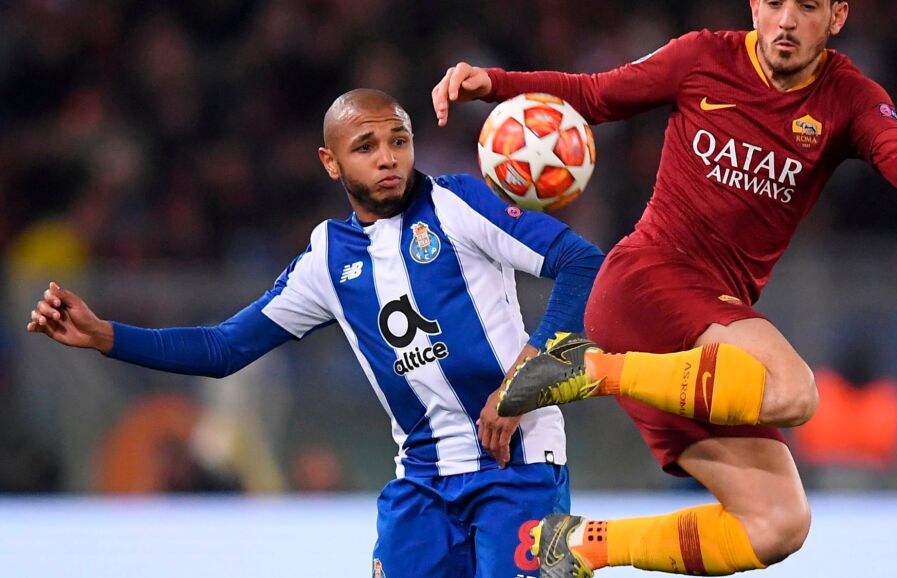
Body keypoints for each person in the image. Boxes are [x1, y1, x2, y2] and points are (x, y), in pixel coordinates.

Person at [433, 1, 897, 576]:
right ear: (755, 6)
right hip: (645, 284)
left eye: (807, 6)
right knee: (795, 391)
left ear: (837, 16)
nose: (787, 20)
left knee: (778, 522)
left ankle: (574, 545)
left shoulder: (847, 96)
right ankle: (591, 371)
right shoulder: (703, 57)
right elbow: (594, 94)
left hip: (693, 357)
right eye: (774, 3)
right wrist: (494, 83)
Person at [27, 89, 604, 577]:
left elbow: (582, 262)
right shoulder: (329, 257)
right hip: (424, 483)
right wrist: (106, 336)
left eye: (399, 141)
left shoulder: (458, 202)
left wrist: (523, 383)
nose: (388, 159)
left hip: (518, 467)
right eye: (366, 147)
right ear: (331, 162)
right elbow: (224, 347)